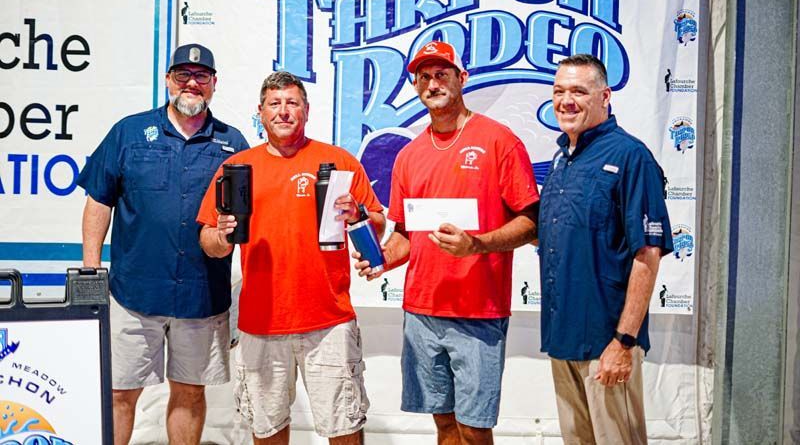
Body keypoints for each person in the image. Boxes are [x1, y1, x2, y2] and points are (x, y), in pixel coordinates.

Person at [354, 41, 539, 444]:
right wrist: (381, 260)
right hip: (422, 311)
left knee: (474, 428)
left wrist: (477, 244)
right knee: (444, 424)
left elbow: (532, 223)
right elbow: (406, 236)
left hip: (478, 310)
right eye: (424, 77)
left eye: (441, 74)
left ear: (462, 78)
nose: (432, 84)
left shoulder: (498, 141)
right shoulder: (409, 155)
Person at [197, 71, 385, 445]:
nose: (283, 111)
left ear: (306, 111)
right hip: (260, 323)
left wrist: (358, 216)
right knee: (266, 431)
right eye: (274, 103)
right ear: (261, 112)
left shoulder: (338, 161)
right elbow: (208, 240)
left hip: (329, 322)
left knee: (344, 429)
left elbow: (377, 223)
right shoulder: (237, 168)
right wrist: (221, 235)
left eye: (292, 103)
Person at [78, 43, 249, 445]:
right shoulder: (129, 133)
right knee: (119, 393)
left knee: (190, 393)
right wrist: (90, 269)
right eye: (183, 75)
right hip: (133, 294)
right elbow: (98, 200)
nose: (192, 83)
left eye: (201, 76)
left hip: (202, 297)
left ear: (214, 84)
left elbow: (248, 222)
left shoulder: (234, 143)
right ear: (168, 80)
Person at [538, 54, 673, 444]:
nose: (566, 101)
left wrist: (624, 342)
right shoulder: (561, 160)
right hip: (563, 340)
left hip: (607, 342)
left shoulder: (631, 157)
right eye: (559, 91)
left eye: (579, 91)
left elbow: (647, 254)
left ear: (605, 96)